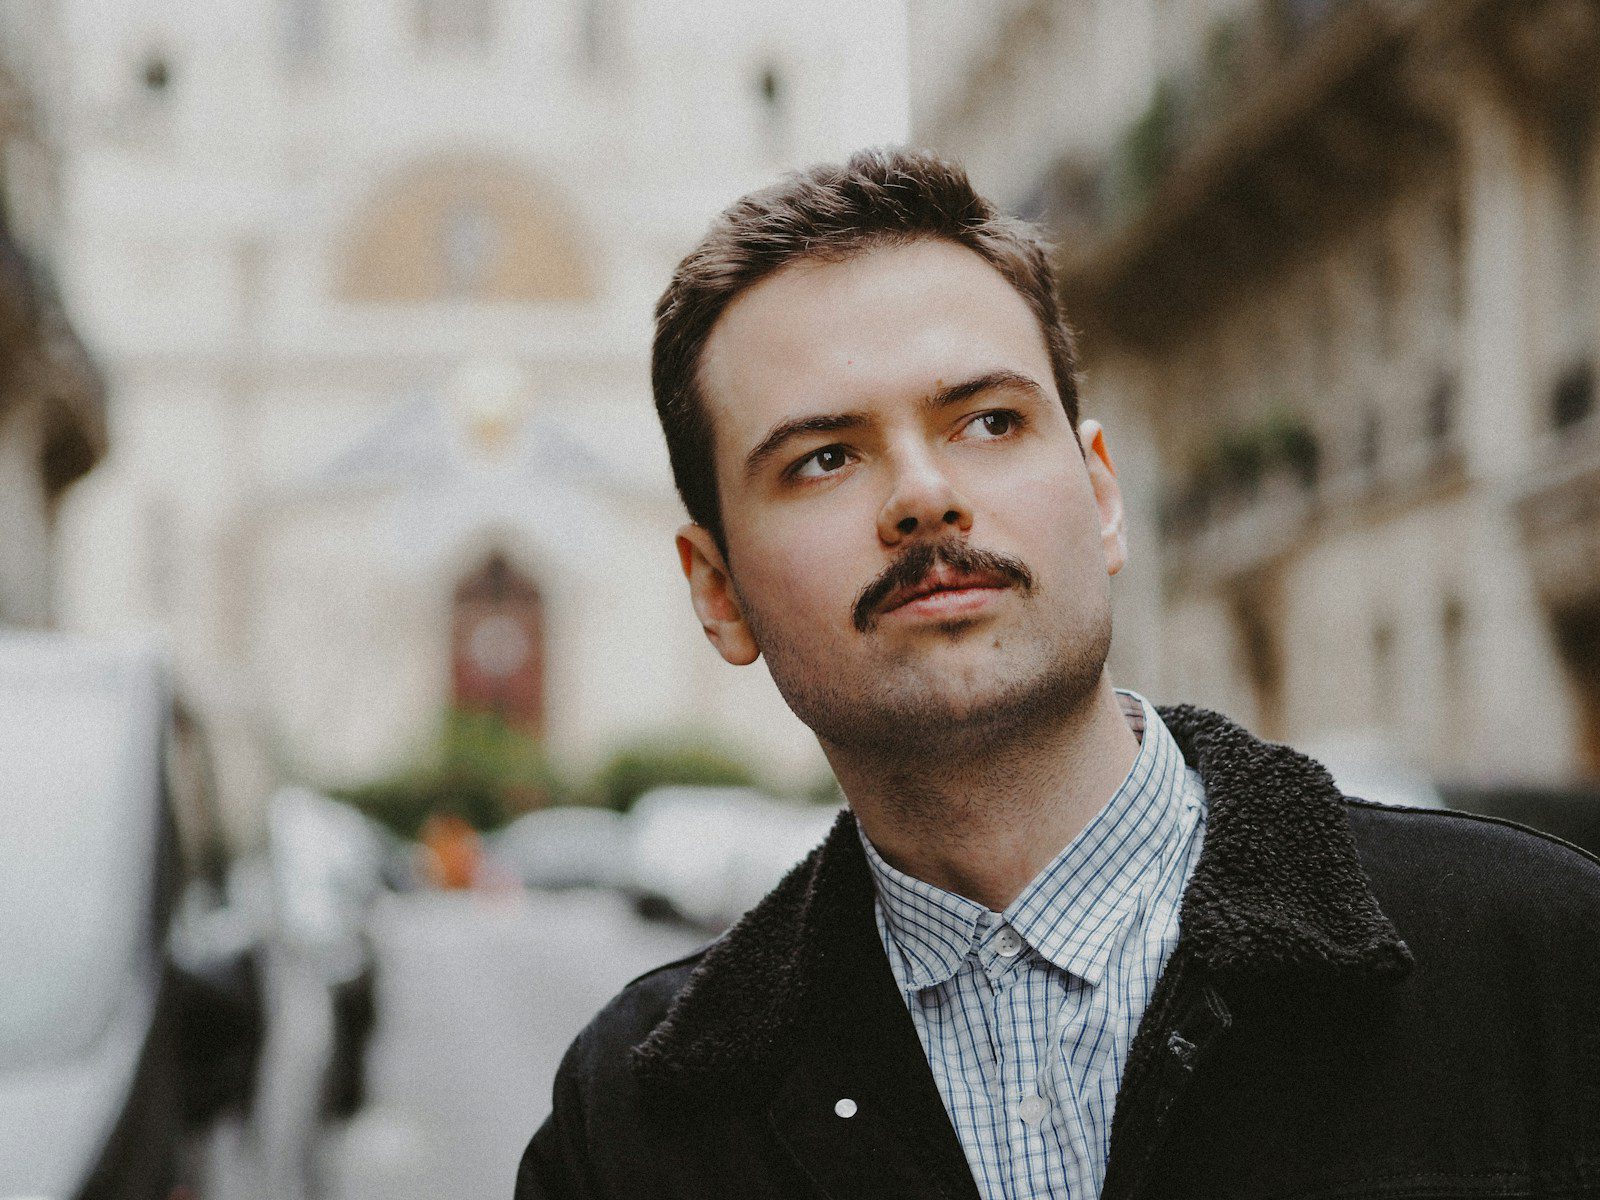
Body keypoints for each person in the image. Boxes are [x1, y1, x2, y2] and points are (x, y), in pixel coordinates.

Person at [517, 148, 1600, 1200]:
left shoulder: (1540, 962)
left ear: (1102, 496)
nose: (924, 495)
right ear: (717, 592)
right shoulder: (632, 1125)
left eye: (988, 421)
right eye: (824, 458)